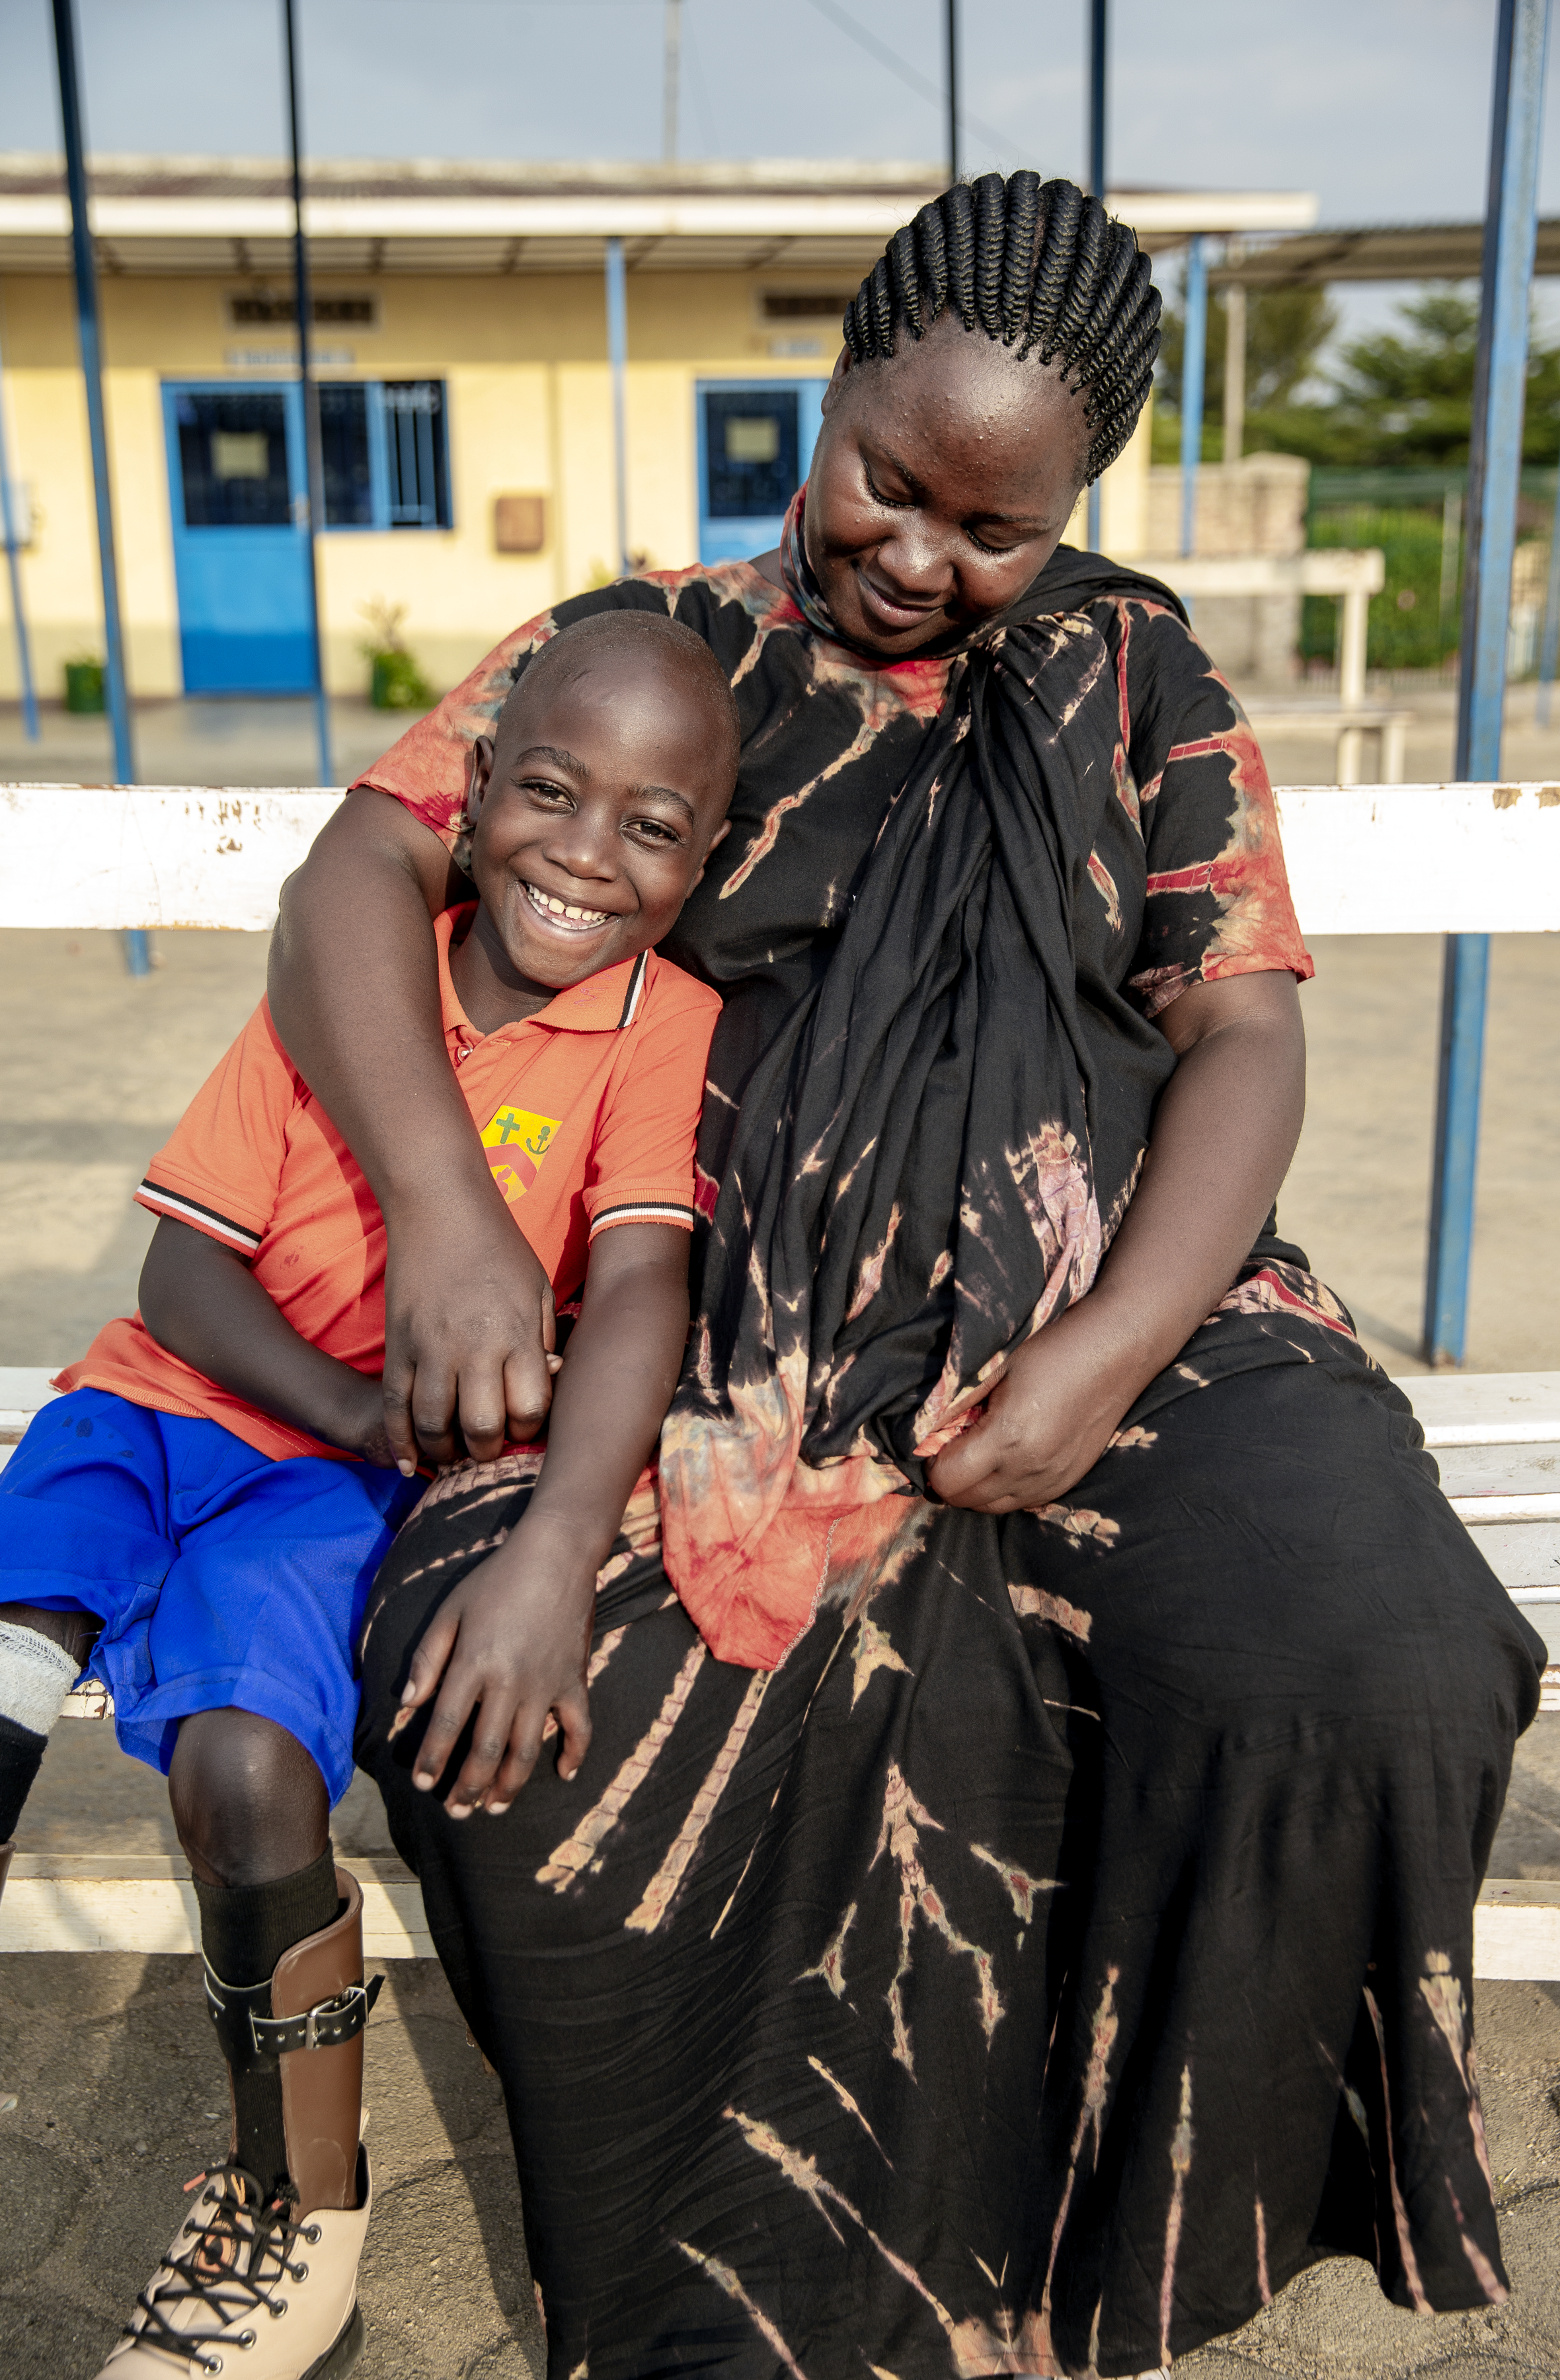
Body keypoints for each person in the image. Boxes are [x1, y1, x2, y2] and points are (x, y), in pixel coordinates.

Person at [225, 173, 1535, 2378]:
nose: (922, 558)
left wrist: (1106, 1352)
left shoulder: (1135, 674)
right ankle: (763, 2308)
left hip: (1126, 1311)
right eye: (887, 484)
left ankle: (1104, 2267)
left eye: (996, 529)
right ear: (830, 388)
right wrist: (447, 1214)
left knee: (1368, 1652)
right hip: (699, 1334)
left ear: (1077, 511)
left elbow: (1240, 1030)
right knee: (509, 1708)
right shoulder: (656, 651)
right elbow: (359, 869)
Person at [0, 611, 737, 2380]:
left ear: (705, 862)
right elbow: (181, 1278)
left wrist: (466, 1498)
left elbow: (643, 1281)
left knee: (249, 1771)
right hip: (151, 1416)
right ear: (473, 794)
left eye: (652, 827)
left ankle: (291, 2206)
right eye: (550, 793)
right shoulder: (364, 985)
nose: (586, 855)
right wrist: (349, 1405)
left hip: (323, 1500)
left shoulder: (660, 1028)